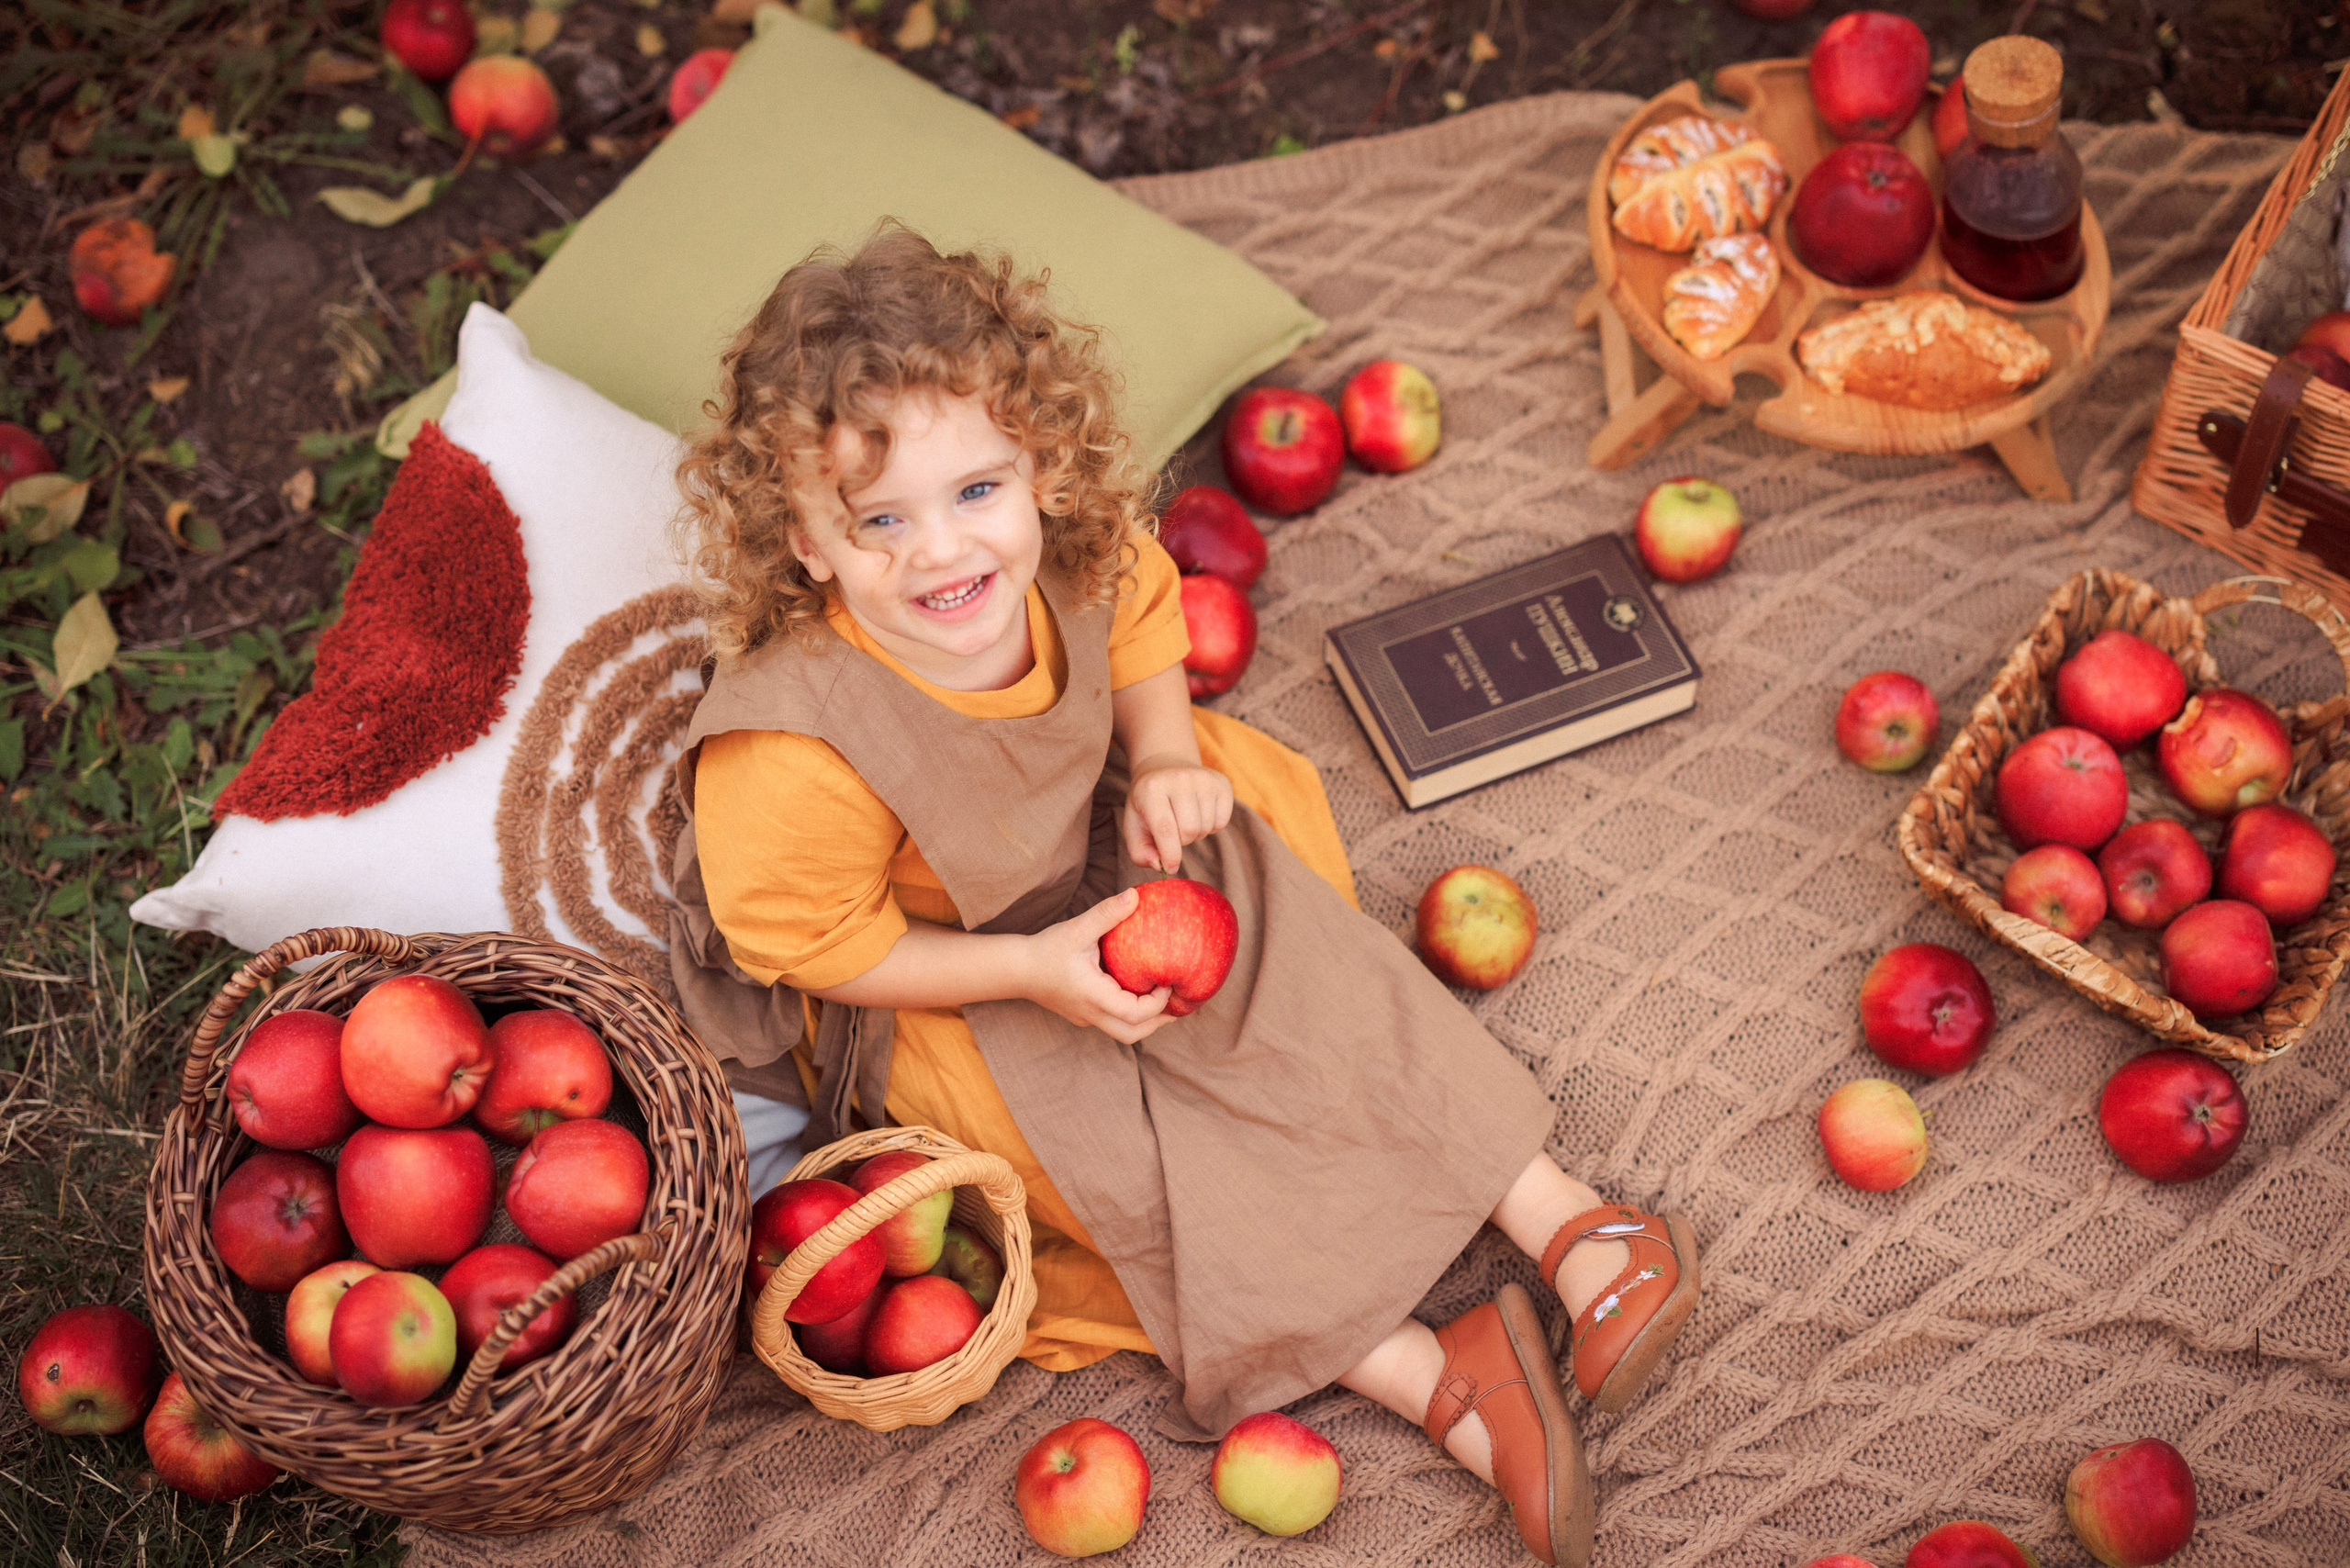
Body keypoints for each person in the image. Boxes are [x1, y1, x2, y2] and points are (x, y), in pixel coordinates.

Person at [666, 223, 1700, 1568]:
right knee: (1096, 1171)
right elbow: (815, 940)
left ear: (1037, 463)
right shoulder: (796, 746)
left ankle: (1570, 1224)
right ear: (807, 546)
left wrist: (1160, 758)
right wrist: (1035, 975)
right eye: (879, 522)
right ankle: (1434, 1373)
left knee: (1301, 965)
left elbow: (1145, 616)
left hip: (1101, 849)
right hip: (943, 964)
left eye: (978, 491)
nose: (942, 554)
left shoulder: (1077, 551)